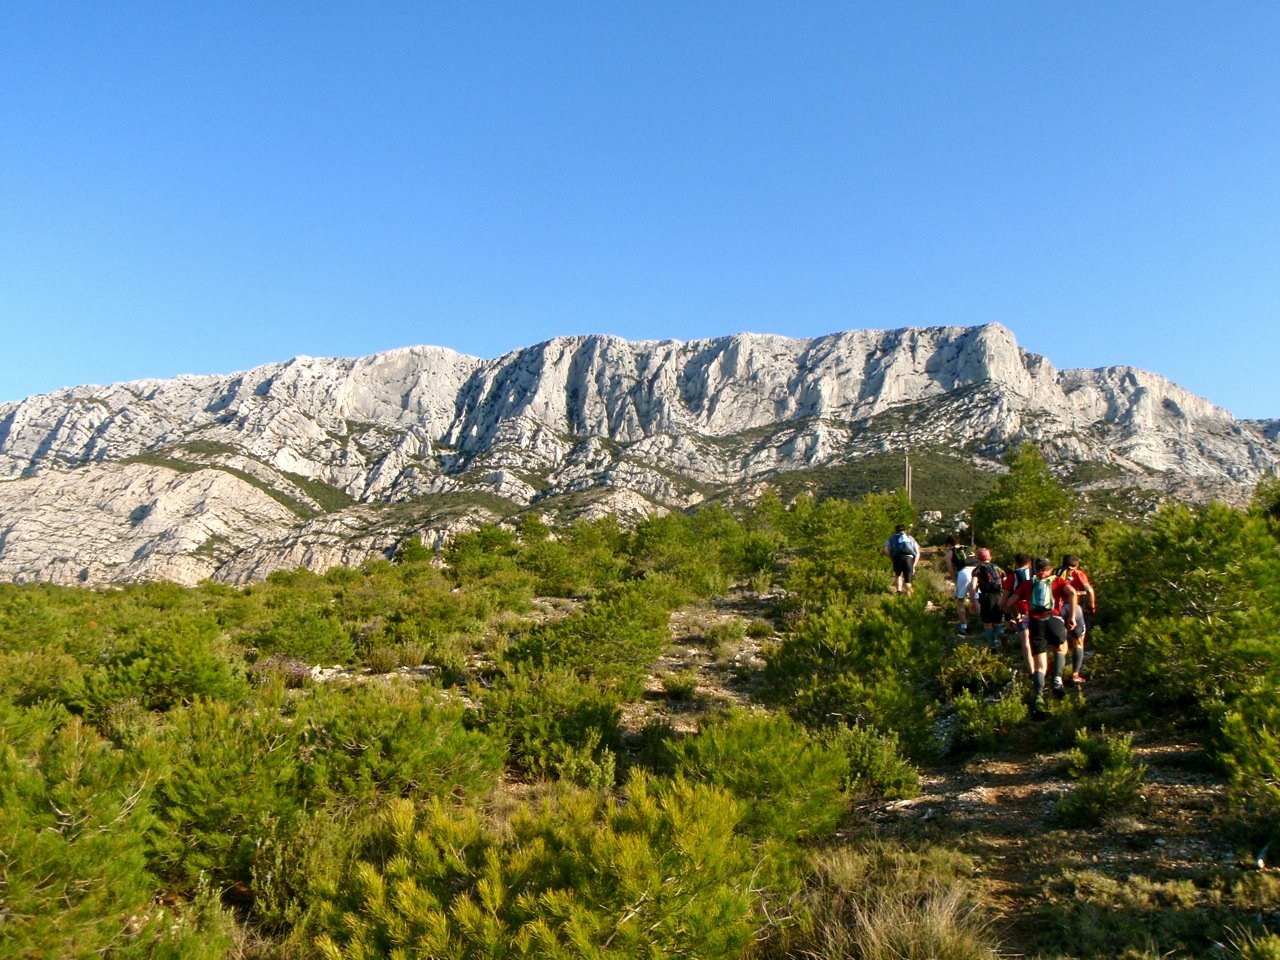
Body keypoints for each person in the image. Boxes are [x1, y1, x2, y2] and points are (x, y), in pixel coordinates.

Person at [1004, 557, 1079, 714]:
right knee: (1060, 648)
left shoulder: (1028, 583)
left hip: (1035, 623)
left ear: (1035, 569)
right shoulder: (1057, 581)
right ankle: (1057, 680)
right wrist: (1071, 616)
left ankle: (1038, 697)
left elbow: (1009, 602)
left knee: (1040, 665)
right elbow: (1072, 592)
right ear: (1050, 569)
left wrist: (1016, 616)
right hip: (1054, 619)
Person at [1056, 554, 1096, 686]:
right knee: (1078, 642)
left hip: (1058, 609)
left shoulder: (1056, 573)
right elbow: (1089, 590)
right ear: (1077, 565)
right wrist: (1092, 606)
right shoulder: (1079, 574)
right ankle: (1075, 674)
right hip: (1075, 609)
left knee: (1060, 646)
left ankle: (1057, 677)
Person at [967, 547, 1005, 651]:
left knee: (987, 624)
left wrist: (972, 600)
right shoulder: (998, 568)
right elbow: (1005, 581)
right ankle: (1001, 635)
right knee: (997, 622)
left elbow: (973, 585)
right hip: (999, 596)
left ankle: (992, 646)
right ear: (990, 558)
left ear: (978, 558)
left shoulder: (977, 569)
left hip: (986, 598)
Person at [1002, 553, 1034, 673]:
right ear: (1030, 563)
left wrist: (1009, 616)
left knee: (1025, 641)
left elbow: (1004, 600)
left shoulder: (1012, 576)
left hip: (1020, 609)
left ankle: (1031, 671)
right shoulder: (1036, 574)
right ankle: (1043, 669)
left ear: (1015, 563)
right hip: (1038, 610)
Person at [945, 535, 976, 633]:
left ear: (949, 544)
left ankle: (963, 626)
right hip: (976, 571)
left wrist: (954, 580)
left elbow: (950, 568)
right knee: (976, 598)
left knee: (960, 600)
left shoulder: (950, 553)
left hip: (964, 572)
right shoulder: (968, 548)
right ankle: (988, 623)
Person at [882, 524, 920, 596]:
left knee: (898, 575)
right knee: (908, 579)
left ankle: (898, 592)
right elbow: (917, 552)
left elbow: (885, 549)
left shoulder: (892, 538)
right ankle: (908, 595)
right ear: (905, 530)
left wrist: (891, 557)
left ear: (896, 530)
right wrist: (914, 565)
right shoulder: (910, 538)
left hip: (897, 558)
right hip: (908, 558)